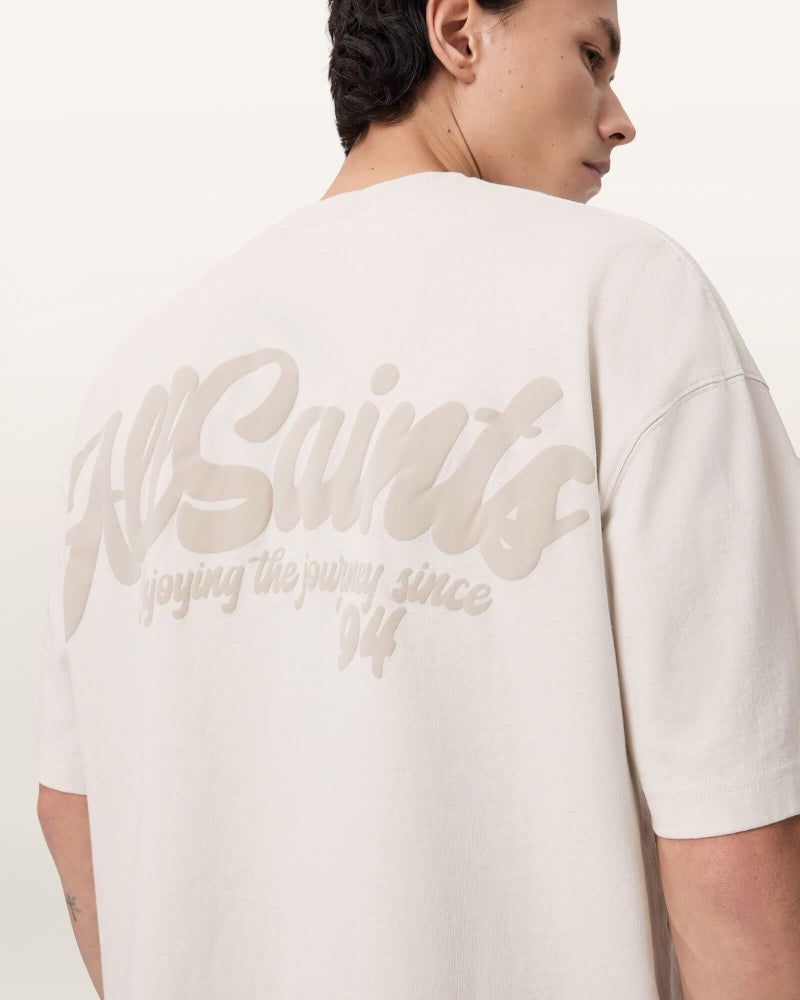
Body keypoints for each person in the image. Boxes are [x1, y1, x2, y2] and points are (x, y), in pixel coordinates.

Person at [35, 1, 800, 998]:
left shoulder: (136, 377)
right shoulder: (624, 297)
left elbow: (71, 813)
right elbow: (737, 846)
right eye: (590, 54)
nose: (618, 120)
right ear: (457, 31)